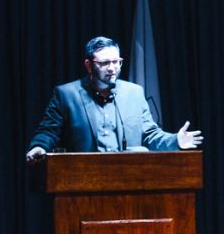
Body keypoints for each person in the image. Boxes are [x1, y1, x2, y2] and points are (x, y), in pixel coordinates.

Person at [25, 36, 203, 163]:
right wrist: (39, 147)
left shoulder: (134, 93)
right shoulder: (66, 94)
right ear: (89, 65)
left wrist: (176, 140)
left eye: (116, 62)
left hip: (128, 179)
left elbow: (150, 135)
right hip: (82, 181)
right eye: (105, 63)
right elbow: (49, 131)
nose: (112, 68)